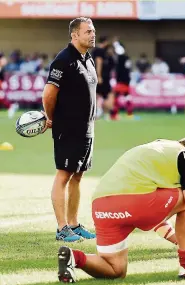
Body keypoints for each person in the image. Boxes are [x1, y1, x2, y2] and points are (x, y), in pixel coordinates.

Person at [57, 137, 185, 282]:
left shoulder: (158, 151)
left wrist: (180, 240)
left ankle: (74, 257)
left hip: (101, 206)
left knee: (115, 269)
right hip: (134, 202)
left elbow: (154, 217)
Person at [42, 17, 97, 242]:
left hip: (87, 129)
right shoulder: (63, 60)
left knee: (78, 176)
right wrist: (51, 118)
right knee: (64, 175)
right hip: (68, 128)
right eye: (88, 32)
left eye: (93, 31)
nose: (93, 34)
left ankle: (73, 224)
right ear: (74, 35)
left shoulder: (89, 59)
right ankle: (62, 228)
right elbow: (48, 94)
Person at [92, 36, 115, 119]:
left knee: (98, 94)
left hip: (100, 76)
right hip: (101, 77)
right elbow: (99, 62)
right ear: (105, 42)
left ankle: (99, 111)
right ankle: (100, 112)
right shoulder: (99, 50)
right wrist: (99, 76)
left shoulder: (99, 50)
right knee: (107, 94)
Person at [110, 39, 133, 120]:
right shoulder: (127, 58)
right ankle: (130, 114)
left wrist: (115, 43)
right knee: (127, 97)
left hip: (120, 81)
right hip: (126, 81)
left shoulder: (120, 59)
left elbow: (118, 51)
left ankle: (114, 115)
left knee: (116, 99)